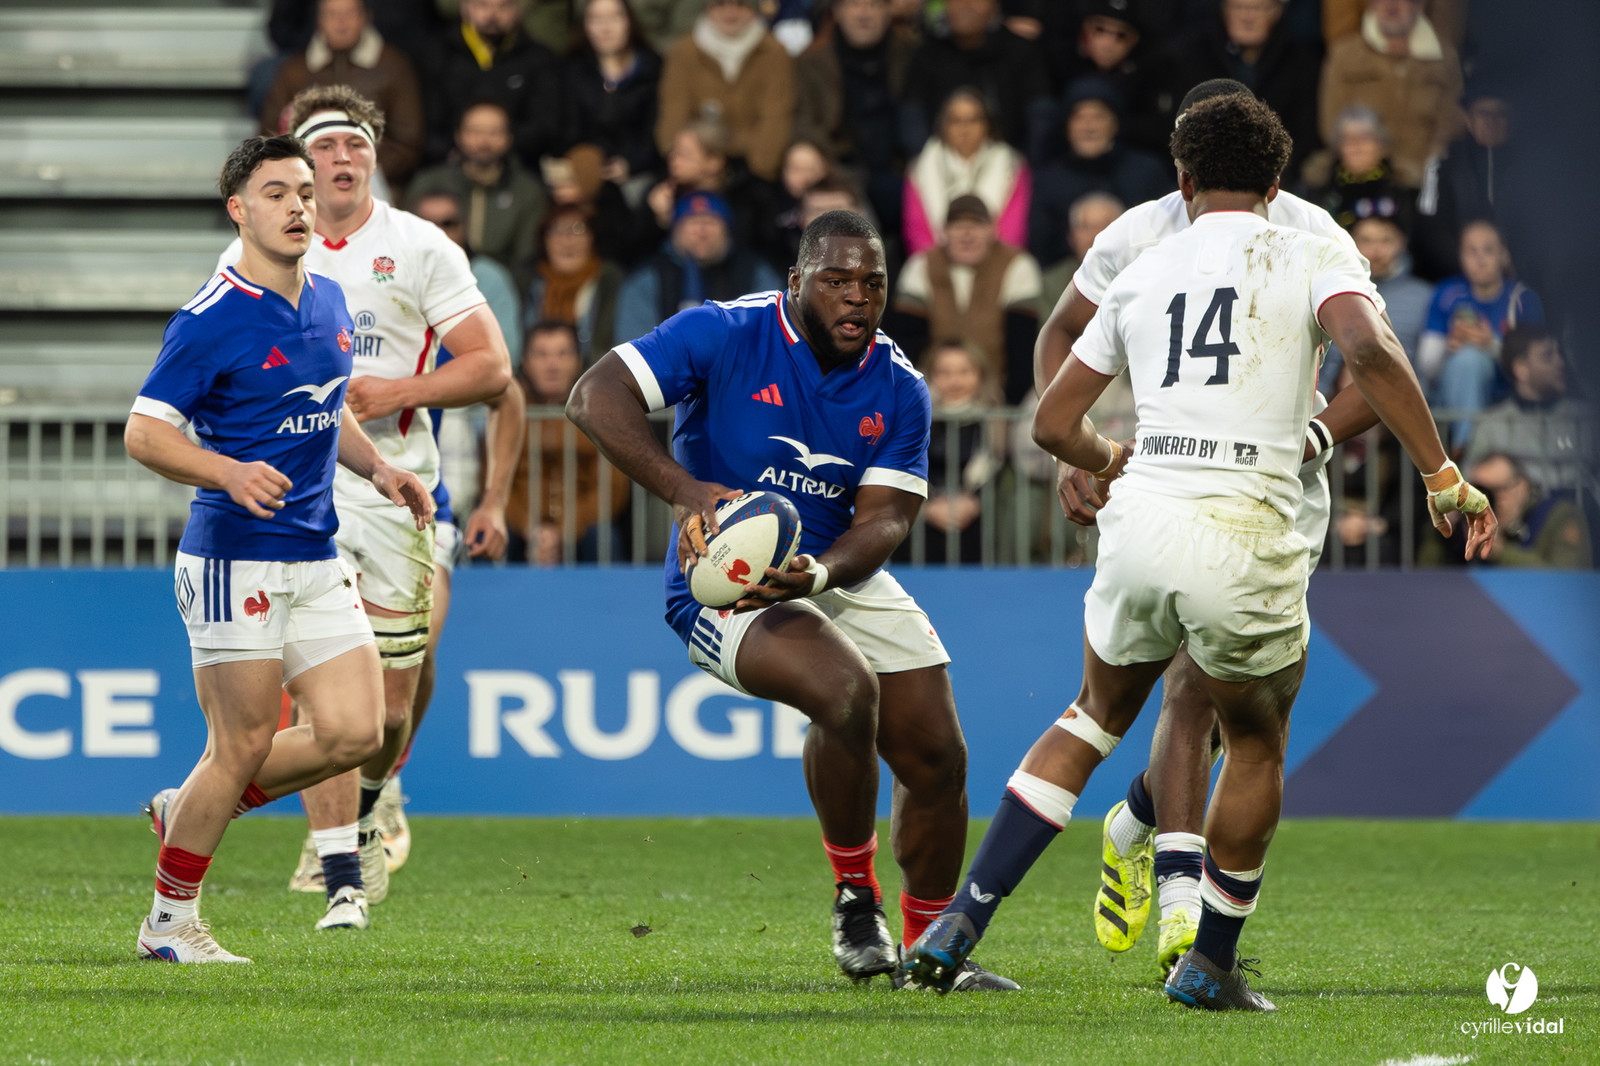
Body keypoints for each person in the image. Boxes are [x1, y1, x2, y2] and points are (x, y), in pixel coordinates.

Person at [905, 92, 1495, 1007]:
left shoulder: (1146, 256)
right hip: (1248, 527)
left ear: (1181, 178)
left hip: (1142, 518)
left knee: (1091, 716)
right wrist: (1441, 474)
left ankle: (959, 920)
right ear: (1274, 181)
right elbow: (1371, 354)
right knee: (1255, 738)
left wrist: (1107, 459)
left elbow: (1054, 418)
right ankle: (1210, 962)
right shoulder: (1311, 245)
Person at [566, 210, 1018, 992]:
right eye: (837, 280)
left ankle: (932, 955)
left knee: (938, 757)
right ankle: (855, 901)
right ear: (797, 281)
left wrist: (818, 574)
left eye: (872, 283)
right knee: (845, 693)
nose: (856, 298)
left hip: (831, 569)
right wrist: (686, 492)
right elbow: (592, 395)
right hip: (722, 584)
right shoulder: (722, 332)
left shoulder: (900, 385)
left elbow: (885, 520)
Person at [1030, 78, 1396, 980]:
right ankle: (1185, 909)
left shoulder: (1311, 233)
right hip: (1171, 491)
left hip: (1273, 501)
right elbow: (1060, 333)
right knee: (1192, 694)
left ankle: (1135, 823)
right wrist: (1076, 457)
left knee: (1236, 716)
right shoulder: (1136, 232)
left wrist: (1313, 434)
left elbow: (1372, 367)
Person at [130, 135, 435, 957]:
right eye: (276, 193)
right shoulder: (211, 318)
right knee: (243, 745)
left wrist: (380, 469)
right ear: (239, 210)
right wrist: (227, 471)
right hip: (235, 558)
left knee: (357, 731)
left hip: (312, 551)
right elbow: (144, 434)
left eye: (303, 191)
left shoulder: (330, 299)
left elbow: (326, 407)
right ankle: (169, 924)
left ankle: (190, 805)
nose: (298, 205)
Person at [222, 86, 513, 901]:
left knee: (388, 710)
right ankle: (331, 849)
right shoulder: (261, 250)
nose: (342, 158)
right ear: (299, 166)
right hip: (303, 493)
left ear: (374, 156)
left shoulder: (420, 247)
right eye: (325, 147)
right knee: (318, 683)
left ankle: (376, 802)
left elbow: (494, 371)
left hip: (401, 490)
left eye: (356, 144)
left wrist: (394, 392)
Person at [890, 194, 1041, 404]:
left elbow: (1022, 347)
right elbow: (908, 344)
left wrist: (1007, 401)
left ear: (992, 230)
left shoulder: (1017, 266)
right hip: (934, 392)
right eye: (958, 226)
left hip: (998, 392)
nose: (967, 234)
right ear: (944, 232)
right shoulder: (921, 266)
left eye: (977, 225)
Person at [260, 0, 426, 191]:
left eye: (349, 14)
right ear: (318, 20)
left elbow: (407, 145)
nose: (341, 22)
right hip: (307, 184)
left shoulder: (394, 68)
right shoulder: (293, 72)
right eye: (332, 15)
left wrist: (356, 169)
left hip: (375, 183)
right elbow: (269, 137)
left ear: (365, 18)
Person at [507, 321, 631, 562]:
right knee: (492, 536)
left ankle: (607, 600)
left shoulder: (601, 410)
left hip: (584, 529)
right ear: (525, 362)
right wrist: (530, 528)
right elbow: (494, 484)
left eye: (562, 354)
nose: (552, 365)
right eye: (541, 355)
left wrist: (565, 530)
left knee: (604, 538)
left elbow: (612, 490)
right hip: (522, 530)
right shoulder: (508, 411)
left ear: (577, 361)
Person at [1417, 219, 1544, 445]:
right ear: (1460, 256)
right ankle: (1467, 449)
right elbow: (1426, 366)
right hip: (1448, 400)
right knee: (1468, 359)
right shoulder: (1446, 293)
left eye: (1488, 250)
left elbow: (1539, 368)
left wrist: (1492, 345)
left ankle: (1468, 454)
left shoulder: (1523, 298)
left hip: (1510, 403)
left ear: (1504, 255)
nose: (1480, 260)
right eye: (1471, 251)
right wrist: (1450, 346)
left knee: (1472, 358)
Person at [1161, 0, 1321, 178]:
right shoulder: (1190, 57)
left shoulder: (1300, 63)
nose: (1247, 17)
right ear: (1223, 10)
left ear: (1277, 12)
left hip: (1279, 174)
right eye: (1239, 6)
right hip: (1203, 175)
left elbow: (1305, 133)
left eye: (1258, 8)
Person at [792, 0, 916, 228]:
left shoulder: (912, 52)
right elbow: (804, 120)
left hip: (901, 166)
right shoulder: (813, 60)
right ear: (837, 12)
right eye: (853, 4)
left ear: (888, 10)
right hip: (839, 165)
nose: (863, 13)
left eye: (873, 4)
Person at [408, 100, 548, 293]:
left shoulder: (527, 191)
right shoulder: (428, 183)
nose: (484, 142)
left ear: (509, 137)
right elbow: (405, 243)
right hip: (430, 285)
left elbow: (526, 260)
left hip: (502, 291)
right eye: (475, 132)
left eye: (494, 132)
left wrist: (497, 289)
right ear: (458, 135)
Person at [1319, 0, 1462, 188]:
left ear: (1419, 5)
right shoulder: (1344, 55)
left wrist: (1427, 172)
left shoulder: (1444, 59)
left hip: (1425, 184)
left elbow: (1451, 126)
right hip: (1361, 183)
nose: (1391, 4)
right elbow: (1331, 127)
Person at [1027, 77, 1165, 267]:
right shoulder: (1048, 181)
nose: (1088, 126)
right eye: (1079, 117)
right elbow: (1041, 248)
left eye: (1098, 117)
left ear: (1115, 124)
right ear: (1067, 127)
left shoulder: (1147, 172)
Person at [656, 0, 796, 183]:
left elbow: (776, 116)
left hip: (754, 168)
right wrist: (681, 162)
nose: (730, 13)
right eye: (720, 4)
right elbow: (673, 116)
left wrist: (760, 169)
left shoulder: (775, 52)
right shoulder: (683, 53)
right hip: (697, 166)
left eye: (740, 4)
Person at [614, 192, 781, 342]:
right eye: (692, 222)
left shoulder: (753, 271)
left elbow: (770, 332)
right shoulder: (649, 276)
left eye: (711, 222)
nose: (701, 231)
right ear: (676, 231)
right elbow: (636, 344)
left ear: (727, 231)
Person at [898, 0, 1052, 157]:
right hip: (941, 162)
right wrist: (925, 162)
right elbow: (912, 115)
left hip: (1012, 162)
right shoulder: (928, 55)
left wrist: (1030, 165)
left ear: (995, 7)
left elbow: (1039, 114)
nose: (965, 5)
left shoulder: (1021, 51)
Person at [422, 0, 562, 168]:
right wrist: (457, 150)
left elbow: (545, 125)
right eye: (482, 5)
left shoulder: (539, 59)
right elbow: (427, 124)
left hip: (519, 167)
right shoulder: (436, 56)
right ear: (464, 8)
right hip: (449, 165)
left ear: (518, 11)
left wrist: (500, 147)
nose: (492, 15)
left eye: (504, 6)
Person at [1465, 326, 1597, 499]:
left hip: (1581, 519)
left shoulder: (1586, 417)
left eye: (1559, 354)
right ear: (1521, 369)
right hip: (1523, 522)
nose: (1560, 363)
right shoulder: (1492, 424)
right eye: (1547, 356)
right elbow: (1467, 483)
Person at [902, 89, 1031, 257]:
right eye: (956, 121)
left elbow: (1013, 232)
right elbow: (917, 232)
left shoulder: (1011, 165)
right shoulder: (920, 168)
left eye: (973, 120)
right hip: (937, 266)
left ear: (987, 124)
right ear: (944, 126)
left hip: (997, 265)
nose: (965, 129)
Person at [1317, 210, 1433, 395]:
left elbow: (1429, 366)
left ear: (1402, 242)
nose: (1376, 251)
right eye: (1366, 240)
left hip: (1404, 401)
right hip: (1329, 399)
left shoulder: (1425, 296)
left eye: (1385, 241)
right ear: (1350, 243)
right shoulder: (1327, 290)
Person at [561, 0, 664, 190]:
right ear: (585, 25)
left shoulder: (654, 68)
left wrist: (631, 164)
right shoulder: (572, 70)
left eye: (614, 17)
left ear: (629, 21)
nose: (605, 28)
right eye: (596, 19)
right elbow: (569, 131)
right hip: (587, 173)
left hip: (644, 173)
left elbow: (659, 132)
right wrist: (592, 164)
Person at [522, 202, 625, 363]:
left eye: (578, 229)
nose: (567, 241)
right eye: (557, 230)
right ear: (544, 240)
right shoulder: (526, 283)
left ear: (592, 237)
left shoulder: (612, 283)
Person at [1465, 454, 1591, 569]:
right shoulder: (1466, 525)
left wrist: (1501, 552)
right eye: (1481, 493)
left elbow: (1566, 577)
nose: (1491, 502)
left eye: (1501, 490)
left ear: (1523, 486)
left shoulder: (1558, 517)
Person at [1304, 105, 1412, 233]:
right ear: (1338, 146)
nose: (1356, 144)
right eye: (1348, 138)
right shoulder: (1319, 186)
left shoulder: (1403, 184)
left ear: (1381, 143)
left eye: (1365, 137)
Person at [1035, 191, 1122, 319]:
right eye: (1086, 227)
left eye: (1103, 226)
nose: (1094, 235)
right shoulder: (1053, 283)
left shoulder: (1141, 276)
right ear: (1071, 237)